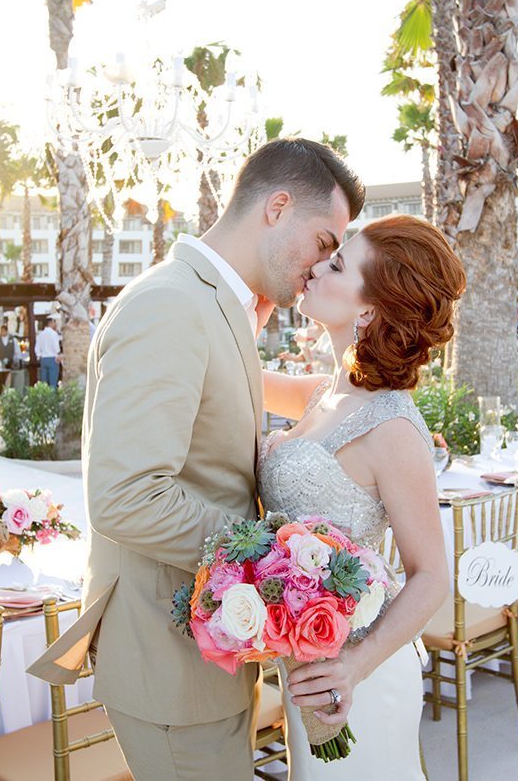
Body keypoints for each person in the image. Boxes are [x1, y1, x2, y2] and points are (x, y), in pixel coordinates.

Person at [28, 137, 365, 781]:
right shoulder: (171, 305)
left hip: (202, 648)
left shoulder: (218, 305)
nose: (323, 265)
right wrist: (273, 559)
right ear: (278, 207)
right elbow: (128, 495)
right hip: (169, 657)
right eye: (324, 242)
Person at [259, 214, 466, 780]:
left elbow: (430, 576)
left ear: (369, 309)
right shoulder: (325, 393)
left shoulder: (391, 426)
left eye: (337, 264)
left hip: (357, 677)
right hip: (305, 664)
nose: (316, 267)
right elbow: (233, 374)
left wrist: (354, 665)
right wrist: (253, 300)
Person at [34, 317, 62, 388]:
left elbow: (37, 348)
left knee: (44, 383)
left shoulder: (40, 334)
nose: (55, 324)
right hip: (53, 358)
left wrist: (39, 356)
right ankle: (53, 398)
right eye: (54, 322)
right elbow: (56, 347)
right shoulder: (53, 333)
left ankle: (45, 398)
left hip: (43, 359)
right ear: (50, 323)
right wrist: (58, 354)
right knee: (53, 382)